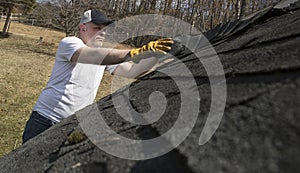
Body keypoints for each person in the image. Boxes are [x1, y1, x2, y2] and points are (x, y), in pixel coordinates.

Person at [22, 9, 173, 144]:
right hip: (45, 120)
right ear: (83, 28)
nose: (103, 32)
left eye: (105, 29)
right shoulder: (70, 43)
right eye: (97, 28)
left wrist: (155, 54)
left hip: (70, 125)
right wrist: (133, 53)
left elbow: (133, 71)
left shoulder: (105, 56)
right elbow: (91, 56)